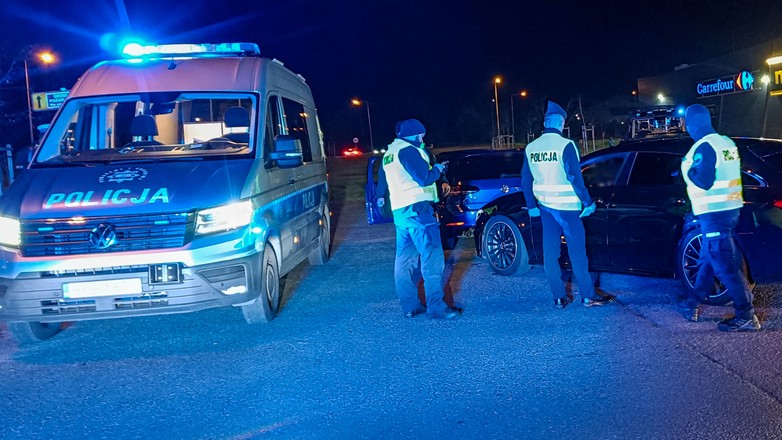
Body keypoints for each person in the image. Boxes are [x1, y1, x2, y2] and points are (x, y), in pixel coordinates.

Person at [521, 101, 613, 309]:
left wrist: (532, 206)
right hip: (569, 210)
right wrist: (587, 202)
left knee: (550, 254)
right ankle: (588, 296)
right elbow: (574, 177)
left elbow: (525, 180)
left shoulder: (531, 148)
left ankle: (559, 297)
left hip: (545, 208)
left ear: (545, 123)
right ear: (561, 123)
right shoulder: (566, 145)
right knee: (577, 253)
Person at [679, 104, 760, 332]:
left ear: (692, 123)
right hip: (729, 210)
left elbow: (704, 180)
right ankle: (693, 302)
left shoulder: (704, 146)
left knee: (725, 265)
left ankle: (745, 314)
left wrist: (686, 169)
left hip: (714, 213)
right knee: (708, 257)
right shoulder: (726, 143)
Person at [377, 118, 459, 320]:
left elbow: (383, 181)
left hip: (401, 212)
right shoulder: (408, 150)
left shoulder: (390, 153)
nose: (423, 138)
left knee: (405, 261)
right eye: (421, 135)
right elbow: (424, 178)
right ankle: (437, 308)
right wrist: (438, 170)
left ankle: (410, 307)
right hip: (419, 211)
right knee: (432, 259)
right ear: (415, 134)